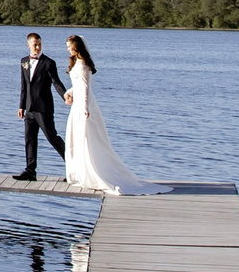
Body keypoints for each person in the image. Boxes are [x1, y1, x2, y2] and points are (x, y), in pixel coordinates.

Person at [60, 34, 162, 195]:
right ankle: (80, 172)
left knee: (87, 138)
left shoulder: (83, 64)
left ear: (76, 46)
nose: (67, 49)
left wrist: (85, 108)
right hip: (78, 104)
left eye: (69, 46)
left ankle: (93, 173)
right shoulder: (76, 63)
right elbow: (77, 85)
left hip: (83, 105)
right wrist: (69, 92)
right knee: (77, 138)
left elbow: (85, 87)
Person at [14, 32, 68, 181]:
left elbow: (56, 82)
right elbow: (24, 86)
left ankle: (73, 167)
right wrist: (21, 106)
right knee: (29, 139)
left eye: (39, 44)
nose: (37, 47)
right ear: (28, 45)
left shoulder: (49, 63)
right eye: (35, 45)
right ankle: (30, 170)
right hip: (29, 108)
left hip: (43, 108)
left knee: (52, 137)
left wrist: (65, 95)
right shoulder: (24, 61)